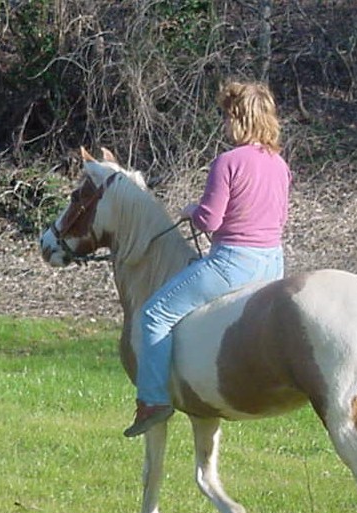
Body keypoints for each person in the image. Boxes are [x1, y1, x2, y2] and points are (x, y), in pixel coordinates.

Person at [124, 80, 292, 438]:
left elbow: (211, 220)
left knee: (155, 314)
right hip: (273, 265)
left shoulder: (228, 162)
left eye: (228, 116)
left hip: (233, 263)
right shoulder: (280, 165)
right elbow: (278, 219)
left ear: (239, 117)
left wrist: (191, 211)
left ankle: (153, 400)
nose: (225, 124)